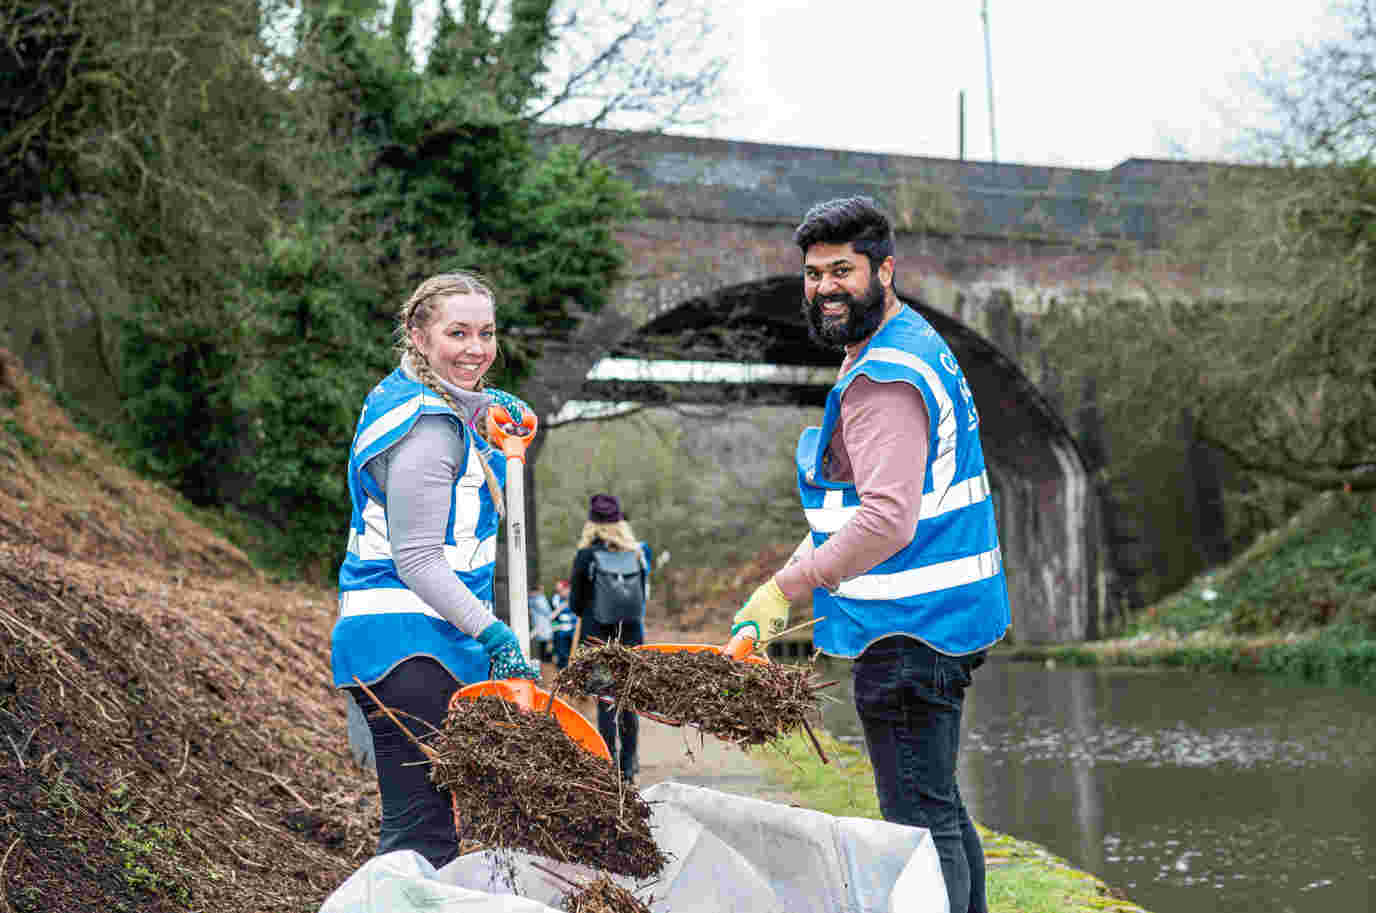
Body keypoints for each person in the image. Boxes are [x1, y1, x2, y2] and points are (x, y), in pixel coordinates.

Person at [724, 197, 1010, 913]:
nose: (824, 287)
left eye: (842, 270)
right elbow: (853, 508)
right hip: (940, 620)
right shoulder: (906, 343)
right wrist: (776, 591)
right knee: (939, 806)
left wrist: (783, 589)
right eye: (814, 272)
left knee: (918, 823)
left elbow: (885, 520)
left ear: (886, 270)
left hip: (909, 629)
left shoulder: (883, 378)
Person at [331, 271, 542, 869]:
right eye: (457, 333)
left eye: (486, 333)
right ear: (419, 336)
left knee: (425, 830)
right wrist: (495, 634)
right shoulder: (427, 427)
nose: (476, 348)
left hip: (411, 644)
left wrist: (481, 409)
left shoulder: (414, 401)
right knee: (423, 835)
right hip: (408, 645)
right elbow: (418, 558)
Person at [567, 493, 652, 784]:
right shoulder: (637, 554)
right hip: (631, 639)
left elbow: (575, 604)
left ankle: (609, 764)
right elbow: (642, 600)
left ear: (591, 523)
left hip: (597, 642)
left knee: (606, 702)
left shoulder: (586, 555)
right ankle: (629, 767)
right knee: (629, 702)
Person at [549, 578, 576, 670]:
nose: (560, 593)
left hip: (573, 632)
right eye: (558, 591)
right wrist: (555, 629)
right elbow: (553, 618)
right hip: (561, 633)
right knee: (562, 655)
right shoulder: (555, 600)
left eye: (561, 590)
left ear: (568, 588)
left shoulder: (574, 599)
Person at [527, 584, 555, 664]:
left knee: (542, 642)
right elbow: (547, 611)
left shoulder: (531, 599)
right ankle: (546, 659)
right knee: (546, 641)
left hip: (538, 622)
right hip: (543, 622)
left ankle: (544, 658)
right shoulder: (539, 599)